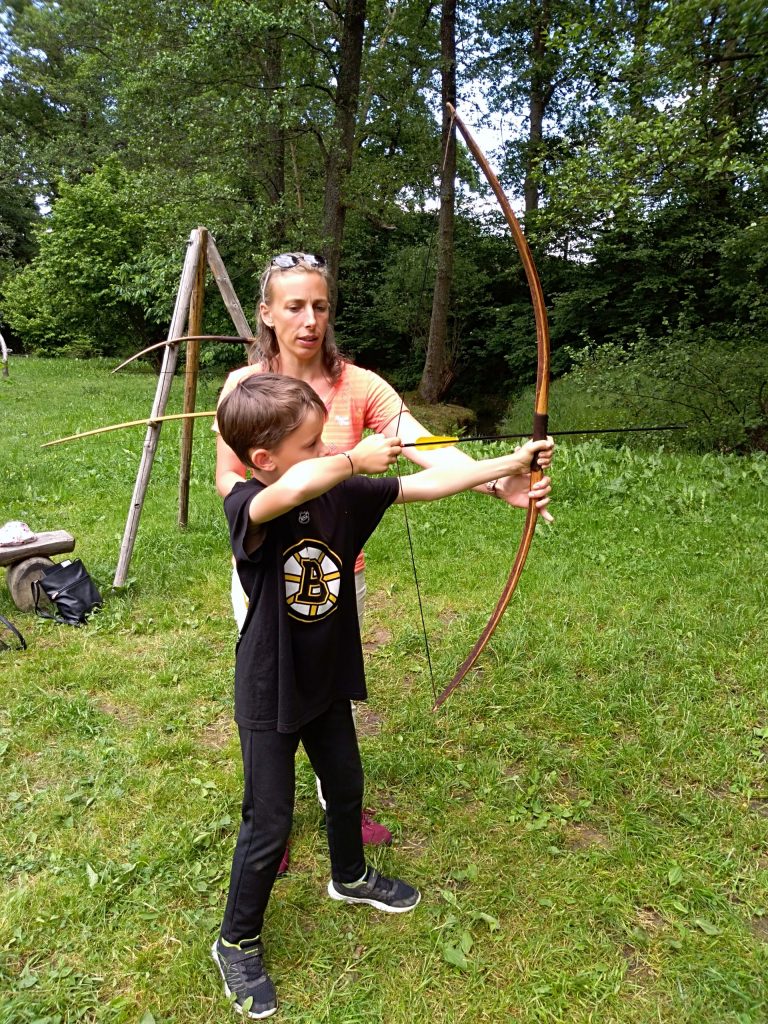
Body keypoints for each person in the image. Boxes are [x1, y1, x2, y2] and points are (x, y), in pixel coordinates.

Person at [212, 372, 554, 1018]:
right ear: (263, 459)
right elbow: (290, 491)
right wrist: (350, 458)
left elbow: (423, 484)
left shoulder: (341, 494)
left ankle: (349, 876)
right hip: (270, 687)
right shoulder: (250, 505)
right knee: (270, 822)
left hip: (325, 676)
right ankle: (236, 941)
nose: (326, 450)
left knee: (345, 784)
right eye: (311, 444)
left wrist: (509, 464)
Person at [214, 253, 554, 869]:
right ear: (266, 314)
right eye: (294, 306)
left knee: (328, 686)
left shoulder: (361, 386)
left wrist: (498, 479)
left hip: (338, 570)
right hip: (266, 571)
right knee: (271, 697)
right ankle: (268, 818)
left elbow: (425, 446)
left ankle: (337, 804)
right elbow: (229, 478)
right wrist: (322, 477)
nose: (310, 320)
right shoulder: (245, 388)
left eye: (320, 306)